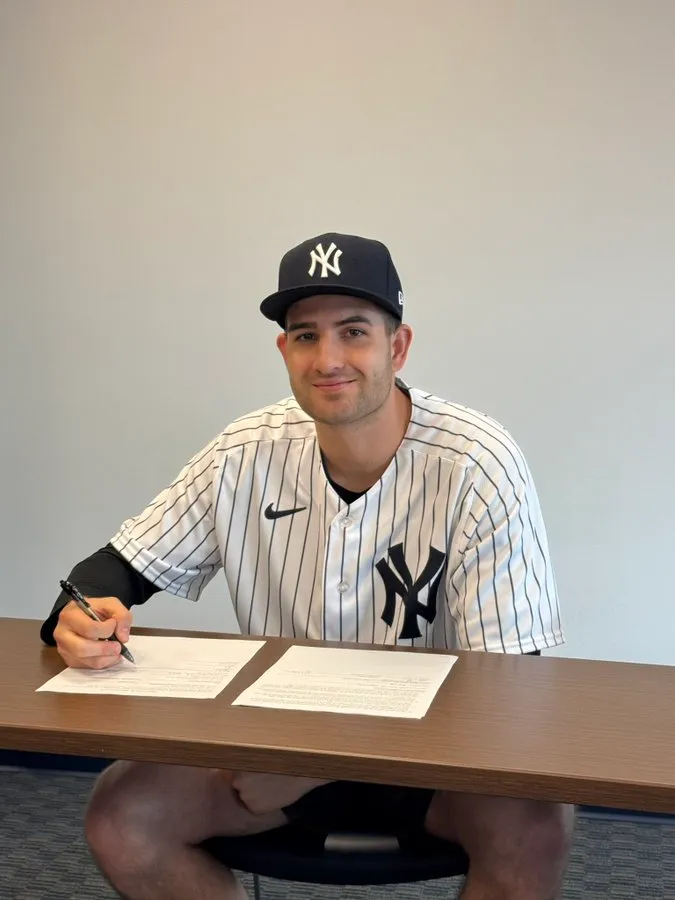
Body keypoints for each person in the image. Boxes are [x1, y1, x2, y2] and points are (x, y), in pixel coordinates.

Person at [41, 232, 573, 900]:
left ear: (397, 346)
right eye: (305, 336)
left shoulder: (478, 463)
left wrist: (315, 763)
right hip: (271, 752)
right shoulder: (244, 451)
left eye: (353, 332)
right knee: (122, 820)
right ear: (284, 351)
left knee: (534, 830)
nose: (328, 359)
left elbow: (507, 688)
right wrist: (79, 618)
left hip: (438, 764)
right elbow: (114, 571)